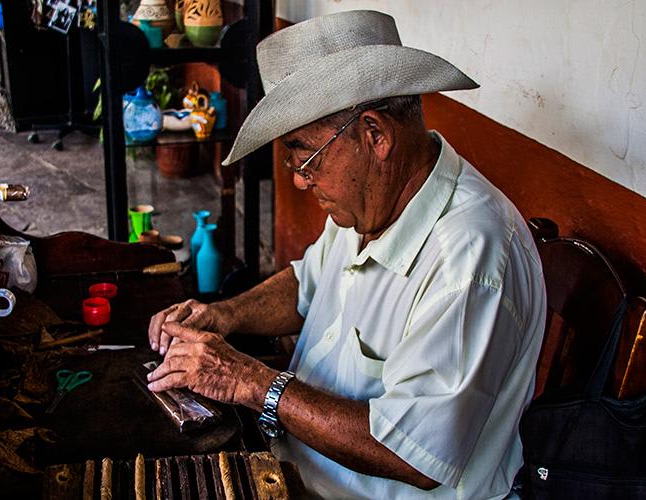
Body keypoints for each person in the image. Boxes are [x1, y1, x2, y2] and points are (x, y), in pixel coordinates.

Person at [146, 10, 547, 499]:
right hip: (297, 470)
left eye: (304, 155)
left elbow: (412, 452)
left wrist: (248, 380)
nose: (297, 177)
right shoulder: (370, 200)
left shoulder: (471, 257)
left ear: (375, 136)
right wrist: (223, 314)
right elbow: (305, 284)